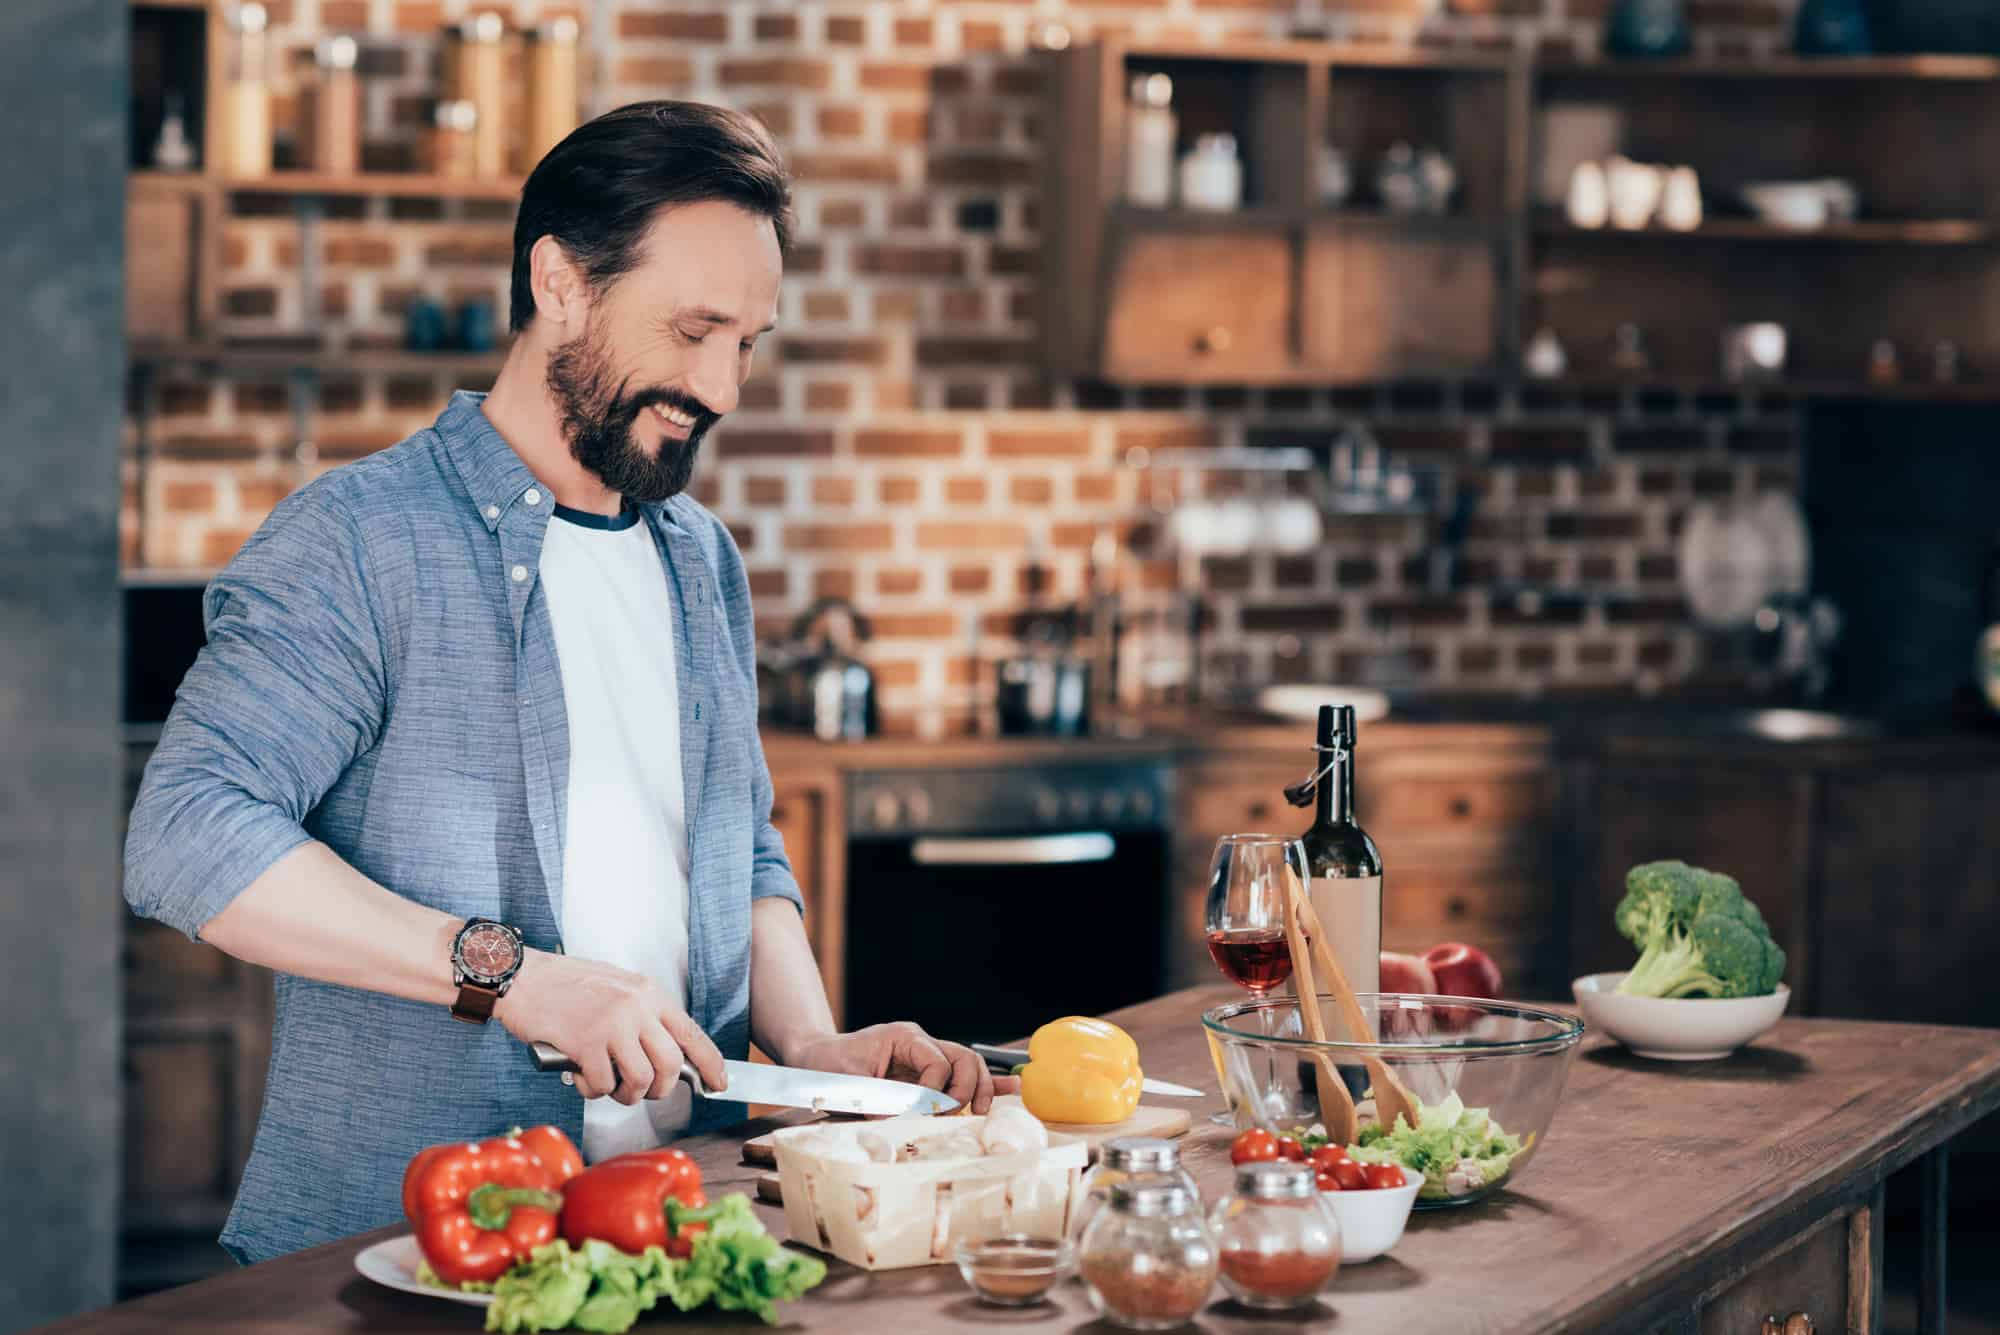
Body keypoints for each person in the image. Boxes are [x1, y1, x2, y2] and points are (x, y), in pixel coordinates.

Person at [124, 100, 1009, 1266]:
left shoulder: (700, 561)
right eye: (693, 330)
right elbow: (185, 835)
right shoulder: (359, 539)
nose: (723, 387)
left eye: (746, 342)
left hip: (676, 1226)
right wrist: (511, 978)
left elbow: (739, 851)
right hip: (402, 1257)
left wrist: (810, 1050)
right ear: (561, 284)